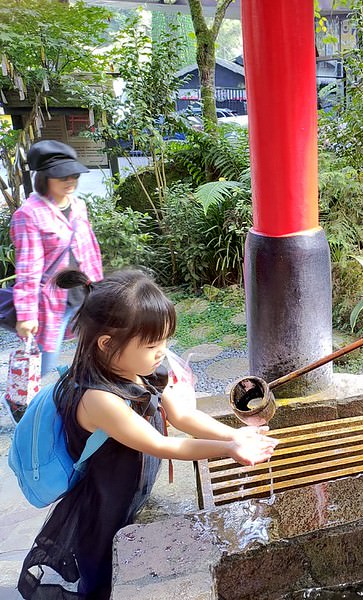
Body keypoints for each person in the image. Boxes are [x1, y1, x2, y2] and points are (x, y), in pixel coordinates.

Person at [18, 268, 279, 599]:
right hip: (101, 508)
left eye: (166, 340)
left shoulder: (140, 369)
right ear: (107, 344)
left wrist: (235, 436)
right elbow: (161, 444)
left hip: (127, 491)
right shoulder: (99, 398)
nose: (163, 351)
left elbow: (183, 415)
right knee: (99, 579)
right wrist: (227, 449)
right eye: (153, 344)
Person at [10, 140, 104, 375]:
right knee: (41, 366)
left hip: (85, 294)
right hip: (52, 303)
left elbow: (90, 249)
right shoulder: (29, 214)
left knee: (94, 354)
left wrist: (100, 287)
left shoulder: (78, 205)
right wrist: (26, 316)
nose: (70, 181)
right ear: (44, 178)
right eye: (63, 176)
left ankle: (81, 402)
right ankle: (22, 406)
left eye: (73, 175)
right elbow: (28, 269)